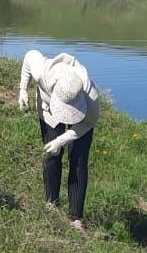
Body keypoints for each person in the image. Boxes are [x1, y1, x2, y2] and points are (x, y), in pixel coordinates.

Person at [18, 49, 101, 231]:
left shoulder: (91, 100)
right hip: (48, 109)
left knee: (78, 160)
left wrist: (62, 140)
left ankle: (76, 217)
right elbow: (30, 56)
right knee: (51, 155)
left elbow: (86, 124)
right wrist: (23, 89)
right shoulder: (43, 71)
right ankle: (51, 203)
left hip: (82, 119)